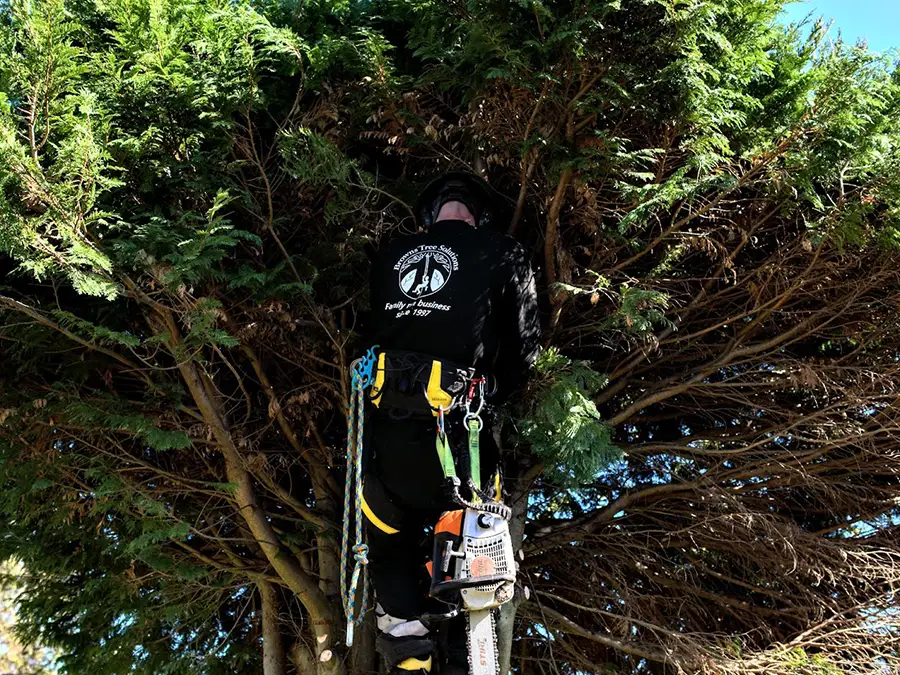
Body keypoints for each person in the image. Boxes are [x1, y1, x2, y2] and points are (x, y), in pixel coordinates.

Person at [361, 172, 541, 674]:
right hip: (464, 442)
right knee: (477, 565)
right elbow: (525, 350)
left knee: (389, 541)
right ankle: (476, 658)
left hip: (390, 443)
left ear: (428, 214)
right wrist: (490, 391)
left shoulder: (388, 257)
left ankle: (406, 646)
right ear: (480, 216)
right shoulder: (504, 252)